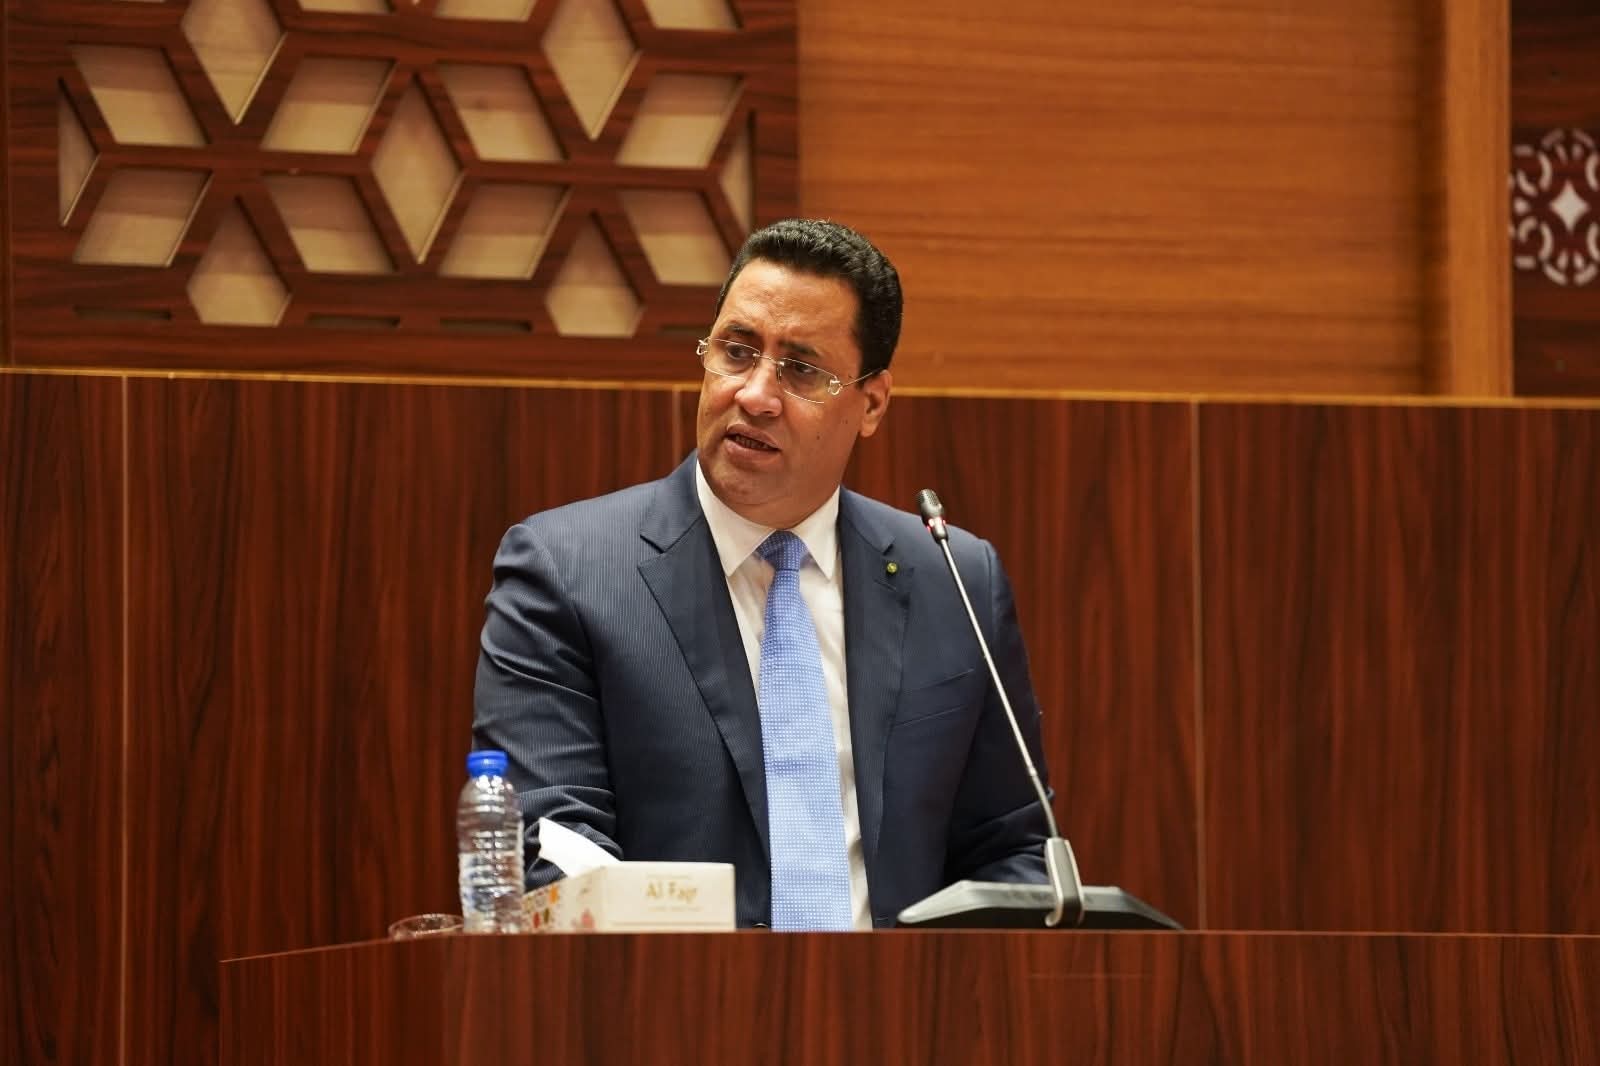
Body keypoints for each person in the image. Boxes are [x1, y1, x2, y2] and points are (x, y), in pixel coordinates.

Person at [473, 218, 1049, 930]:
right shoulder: (567, 572)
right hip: (666, 993)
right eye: (737, 351)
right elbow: (553, 847)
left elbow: (1009, 852)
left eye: (802, 370)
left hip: (904, 1000)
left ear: (871, 403)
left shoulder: (955, 581)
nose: (754, 395)